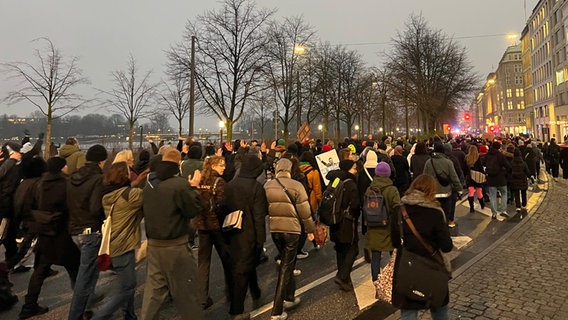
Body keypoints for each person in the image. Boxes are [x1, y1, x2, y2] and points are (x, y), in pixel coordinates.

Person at [141, 148, 204, 320]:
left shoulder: (149, 185)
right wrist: (194, 188)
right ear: (178, 163)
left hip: (154, 245)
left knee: (153, 295)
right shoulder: (179, 185)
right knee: (187, 296)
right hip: (175, 246)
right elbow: (192, 210)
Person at [19, 157, 81, 319]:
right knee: (75, 269)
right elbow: (72, 208)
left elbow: (30, 207)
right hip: (62, 234)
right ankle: (84, 306)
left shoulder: (39, 184)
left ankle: (29, 306)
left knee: (39, 271)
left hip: (44, 233)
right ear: (61, 168)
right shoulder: (66, 185)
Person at [391, 174, 453, 320]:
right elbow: (446, 246)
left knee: (408, 311)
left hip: (407, 267)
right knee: (439, 308)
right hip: (432, 267)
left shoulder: (399, 211)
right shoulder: (436, 213)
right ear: (431, 191)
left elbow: (394, 242)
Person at [264, 158, 315, 320]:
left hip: (275, 230)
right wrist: (310, 230)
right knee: (286, 267)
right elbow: (305, 212)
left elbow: (265, 208)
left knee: (288, 263)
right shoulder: (296, 186)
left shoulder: (268, 185)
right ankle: (277, 309)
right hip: (292, 230)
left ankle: (290, 296)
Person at [92, 161, 143, 320]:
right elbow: (147, 194)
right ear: (124, 175)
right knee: (128, 286)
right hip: (123, 245)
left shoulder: (107, 195)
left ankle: (129, 315)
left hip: (111, 244)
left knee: (124, 283)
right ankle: (101, 316)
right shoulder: (130, 195)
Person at [224, 154, 269, 319]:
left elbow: (223, 209)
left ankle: (255, 290)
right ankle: (236, 310)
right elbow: (259, 217)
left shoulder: (230, 185)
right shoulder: (256, 187)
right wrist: (260, 240)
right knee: (243, 271)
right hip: (249, 235)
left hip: (231, 232)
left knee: (244, 266)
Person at [67, 144, 108, 320]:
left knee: (89, 271)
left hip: (74, 229)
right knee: (85, 277)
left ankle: (89, 302)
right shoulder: (98, 179)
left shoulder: (72, 177)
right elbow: (94, 208)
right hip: (90, 231)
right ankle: (76, 315)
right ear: (102, 161)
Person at [194, 155, 232, 310]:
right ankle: (230, 291)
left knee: (203, 261)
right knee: (227, 259)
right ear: (213, 166)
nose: (224, 167)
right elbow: (222, 205)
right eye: (221, 165)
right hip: (216, 226)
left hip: (202, 226)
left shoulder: (200, 182)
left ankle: (202, 297)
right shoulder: (219, 182)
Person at [325, 159, 361, 292]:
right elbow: (356, 204)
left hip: (334, 218)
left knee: (340, 248)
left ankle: (343, 277)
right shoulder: (350, 183)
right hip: (347, 220)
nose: (355, 170)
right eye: (354, 168)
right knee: (353, 248)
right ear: (348, 169)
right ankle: (343, 276)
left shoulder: (335, 180)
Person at [365, 162, 401, 283]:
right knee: (393, 253)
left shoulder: (370, 189)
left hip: (373, 224)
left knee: (375, 254)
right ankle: (395, 277)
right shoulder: (392, 189)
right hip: (388, 226)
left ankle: (376, 280)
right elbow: (397, 208)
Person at [423, 143, 462, 228]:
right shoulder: (448, 162)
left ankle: (434, 228)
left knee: (434, 213)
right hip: (445, 193)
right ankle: (443, 229)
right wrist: (459, 189)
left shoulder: (429, 162)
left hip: (432, 193)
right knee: (445, 213)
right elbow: (454, 177)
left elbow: (425, 177)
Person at [483, 141, 511, 220]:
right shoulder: (500, 155)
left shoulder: (487, 155)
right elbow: (507, 165)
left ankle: (494, 213)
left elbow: (483, 163)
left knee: (492, 196)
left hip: (491, 179)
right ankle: (503, 209)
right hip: (501, 178)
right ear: (499, 147)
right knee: (504, 193)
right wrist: (505, 171)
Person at [508, 148, 529, 215]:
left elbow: (509, 171)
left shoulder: (512, 163)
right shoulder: (523, 163)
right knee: (523, 192)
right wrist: (530, 176)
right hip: (523, 180)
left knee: (516, 193)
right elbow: (527, 171)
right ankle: (524, 204)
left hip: (515, 180)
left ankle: (518, 206)